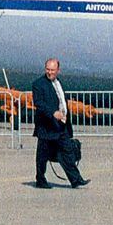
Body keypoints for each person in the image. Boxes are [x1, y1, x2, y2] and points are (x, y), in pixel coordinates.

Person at [31, 57, 86, 188]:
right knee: (42, 155)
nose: (50, 72)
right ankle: (40, 179)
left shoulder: (58, 83)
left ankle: (76, 179)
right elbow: (39, 103)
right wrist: (53, 113)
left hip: (61, 125)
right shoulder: (38, 84)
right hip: (46, 126)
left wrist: (65, 115)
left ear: (58, 70)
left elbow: (61, 101)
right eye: (48, 70)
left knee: (67, 151)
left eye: (53, 70)